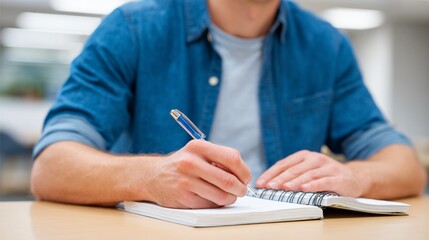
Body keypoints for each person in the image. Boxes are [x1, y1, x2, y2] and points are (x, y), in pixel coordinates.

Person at [31, 0, 427, 208]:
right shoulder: (132, 29)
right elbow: (51, 168)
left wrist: (356, 179)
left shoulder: (326, 45)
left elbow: (405, 166)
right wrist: (150, 177)